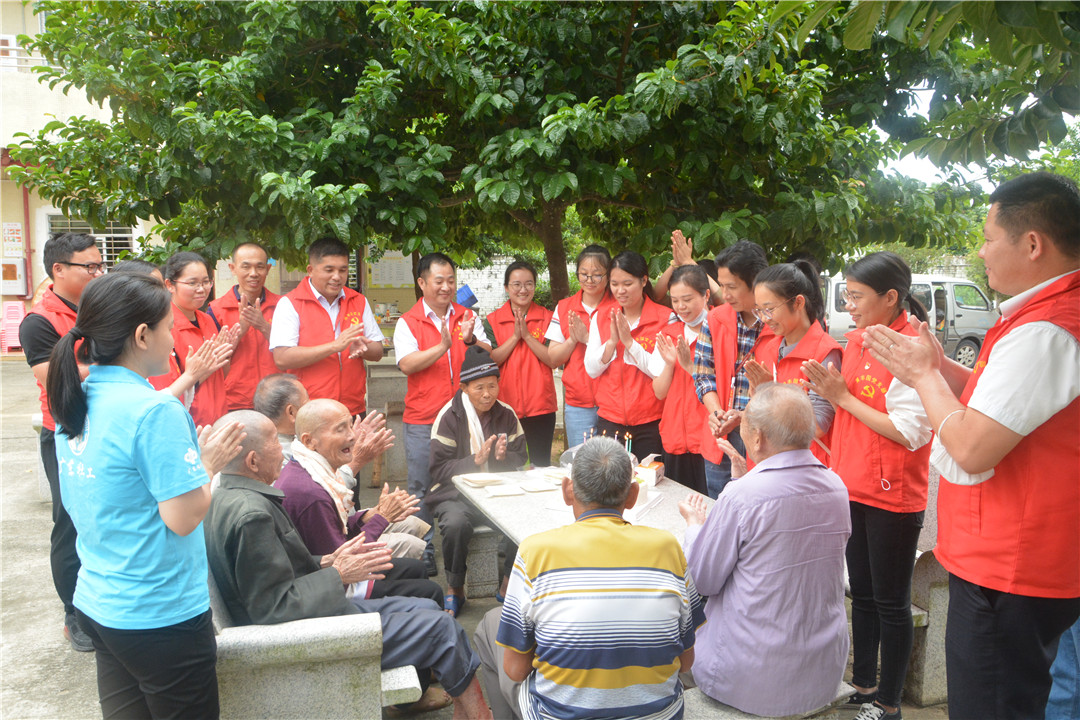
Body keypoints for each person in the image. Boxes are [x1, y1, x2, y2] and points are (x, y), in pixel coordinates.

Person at [865, 171, 1080, 718]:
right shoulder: (1040, 317)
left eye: (987, 237)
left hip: (1008, 569)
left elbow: (972, 445)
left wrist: (925, 378)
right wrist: (936, 367)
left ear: (1032, 244)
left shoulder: (1048, 329)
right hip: (1008, 562)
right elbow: (996, 407)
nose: (980, 251)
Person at [203, 410, 495, 719]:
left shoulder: (229, 495)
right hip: (303, 634)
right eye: (276, 441)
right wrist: (338, 573)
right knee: (443, 629)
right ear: (252, 462)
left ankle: (466, 709)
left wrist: (327, 561)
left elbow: (279, 572)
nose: (284, 450)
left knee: (428, 608)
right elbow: (273, 607)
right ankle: (480, 715)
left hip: (313, 612)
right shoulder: (252, 515)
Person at [47, 271, 245, 718]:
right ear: (142, 335)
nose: (172, 337)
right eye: (167, 326)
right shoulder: (154, 411)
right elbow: (183, 517)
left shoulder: (76, 396)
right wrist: (208, 464)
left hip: (99, 601)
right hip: (158, 615)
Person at [474, 436, 705, 720]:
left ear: (567, 491)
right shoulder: (669, 547)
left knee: (489, 624)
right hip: (661, 716)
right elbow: (686, 661)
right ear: (632, 495)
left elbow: (515, 669)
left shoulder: (535, 551)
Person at [801, 252, 933, 720]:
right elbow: (837, 417)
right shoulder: (858, 341)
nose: (848, 305)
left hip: (893, 496)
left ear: (891, 297)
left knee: (892, 602)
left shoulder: (912, 347)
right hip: (851, 485)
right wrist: (822, 397)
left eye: (856, 297)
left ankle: (890, 703)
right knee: (862, 592)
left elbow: (910, 430)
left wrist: (841, 397)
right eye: (846, 296)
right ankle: (864, 683)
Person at [679, 383, 850, 717]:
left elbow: (703, 580)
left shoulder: (743, 496)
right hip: (822, 670)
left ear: (757, 437)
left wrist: (695, 528)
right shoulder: (837, 487)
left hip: (748, 675)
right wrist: (744, 480)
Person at [18, 232, 104, 651]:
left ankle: (100, 603)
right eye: (89, 267)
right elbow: (52, 375)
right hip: (66, 432)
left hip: (105, 425)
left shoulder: (96, 309)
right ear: (59, 270)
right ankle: (73, 614)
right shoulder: (40, 321)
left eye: (99, 265)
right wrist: (114, 367)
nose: (97, 273)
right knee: (70, 522)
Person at [275, 398, 440, 603]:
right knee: (431, 591)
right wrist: (382, 517)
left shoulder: (307, 466)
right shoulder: (310, 492)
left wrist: (369, 516)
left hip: (334, 569)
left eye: (350, 426)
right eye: (340, 429)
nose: (352, 436)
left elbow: (336, 530)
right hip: (334, 589)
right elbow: (346, 560)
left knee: (416, 568)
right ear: (309, 441)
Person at [393, 252, 489, 576]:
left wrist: (471, 339)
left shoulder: (467, 315)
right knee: (421, 487)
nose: (446, 287)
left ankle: (464, 546)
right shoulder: (408, 322)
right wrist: (443, 347)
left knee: (465, 480)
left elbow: (489, 356)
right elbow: (406, 363)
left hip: (464, 418)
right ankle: (423, 552)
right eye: (439, 281)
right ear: (422, 284)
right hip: (422, 418)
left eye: (451, 280)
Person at [427, 346, 527, 617]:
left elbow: (522, 458)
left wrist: (502, 458)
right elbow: (438, 469)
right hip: (455, 494)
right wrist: (475, 460)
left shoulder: (506, 413)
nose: (487, 394)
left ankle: (508, 584)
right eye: (479, 387)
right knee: (456, 524)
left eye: (492, 386)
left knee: (524, 518)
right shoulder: (449, 416)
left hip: (496, 492)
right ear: (464, 388)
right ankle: (455, 587)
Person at [691, 239, 772, 498]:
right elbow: (703, 374)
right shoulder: (715, 318)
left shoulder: (778, 323)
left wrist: (745, 416)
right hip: (721, 435)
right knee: (720, 504)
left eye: (732, 287)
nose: (724, 294)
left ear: (757, 281)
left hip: (764, 436)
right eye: (722, 285)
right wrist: (717, 414)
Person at [270, 237, 384, 417]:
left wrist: (364, 348)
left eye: (343, 270)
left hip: (352, 408)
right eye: (329, 270)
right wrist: (334, 346)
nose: (337, 277)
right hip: (310, 410)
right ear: (310, 270)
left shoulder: (358, 300)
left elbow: (378, 352)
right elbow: (282, 357)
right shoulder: (290, 304)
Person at [745, 261, 842, 466]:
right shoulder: (769, 347)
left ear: (798, 303)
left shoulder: (824, 353)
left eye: (769, 309)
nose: (764, 319)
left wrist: (769, 389)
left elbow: (817, 427)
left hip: (807, 469)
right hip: (770, 463)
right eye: (759, 310)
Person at [584, 250, 674, 459]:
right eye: (614, 284)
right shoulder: (602, 316)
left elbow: (659, 372)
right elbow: (591, 369)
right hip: (609, 419)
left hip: (651, 422)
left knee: (649, 483)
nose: (620, 290)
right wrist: (612, 342)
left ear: (643, 281)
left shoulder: (665, 318)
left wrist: (630, 344)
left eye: (627, 283)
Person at [150, 251, 238, 426]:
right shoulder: (163, 327)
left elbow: (220, 375)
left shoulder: (206, 320)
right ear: (170, 285)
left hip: (218, 418)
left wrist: (224, 355)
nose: (201, 289)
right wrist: (202, 370)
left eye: (206, 282)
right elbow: (167, 390)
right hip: (187, 422)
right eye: (192, 283)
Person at [485, 260, 557, 466]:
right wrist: (515, 337)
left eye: (529, 284)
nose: (523, 289)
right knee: (505, 468)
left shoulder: (547, 318)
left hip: (541, 407)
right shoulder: (492, 320)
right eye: (516, 284)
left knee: (540, 466)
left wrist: (527, 335)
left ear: (535, 286)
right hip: (503, 408)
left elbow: (552, 359)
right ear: (507, 287)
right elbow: (491, 361)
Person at [649, 264, 711, 493]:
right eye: (675, 300)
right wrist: (670, 363)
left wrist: (688, 365)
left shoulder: (719, 331)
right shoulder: (669, 335)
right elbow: (659, 392)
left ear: (706, 295)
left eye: (687, 299)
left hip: (708, 439)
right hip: (675, 437)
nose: (680, 307)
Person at [544, 244, 611, 448]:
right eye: (584, 274)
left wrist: (588, 337)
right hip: (578, 403)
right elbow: (553, 358)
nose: (589, 281)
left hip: (612, 401)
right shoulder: (564, 307)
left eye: (597, 275)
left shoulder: (619, 306)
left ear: (608, 275)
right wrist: (574, 339)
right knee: (582, 466)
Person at [207, 242, 280, 411]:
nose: (253, 274)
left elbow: (292, 350)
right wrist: (240, 331)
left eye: (259, 267)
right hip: (235, 400)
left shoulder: (283, 306)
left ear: (268, 269)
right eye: (246, 267)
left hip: (276, 399)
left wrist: (263, 326)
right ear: (233, 268)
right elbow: (212, 359)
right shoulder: (216, 310)